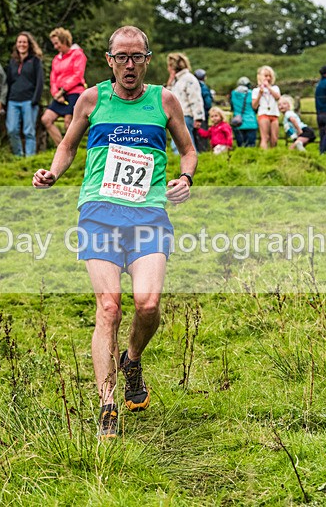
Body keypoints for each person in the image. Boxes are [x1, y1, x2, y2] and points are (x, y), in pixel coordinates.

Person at [32, 26, 197, 440]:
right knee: (109, 308)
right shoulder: (92, 99)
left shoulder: (164, 100)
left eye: (136, 56)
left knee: (148, 304)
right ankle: (108, 407)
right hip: (99, 213)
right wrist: (53, 171)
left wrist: (186, 178)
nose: (128, 64)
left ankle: (133, 358)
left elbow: (189, 150)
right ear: (109, 60)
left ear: (147, 59)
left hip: (148, 217)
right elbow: (68, 145)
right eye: (121, 56)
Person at [42, 28, 87, 147]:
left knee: (69, 122)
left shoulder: (78, 54)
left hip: (74, 92)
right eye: (54, 44)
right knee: (46, 119)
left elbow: (78, 75)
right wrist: (55, 93)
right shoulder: (56, 59)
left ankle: (72, 150)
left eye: (57, 43)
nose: (55, 47)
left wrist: (63, 91)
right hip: (59, 95)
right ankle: (61, 148)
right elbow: (53, 78)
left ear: (64, 40)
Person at [5, 31, 43, 157]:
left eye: (24, 42)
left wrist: (35, 100)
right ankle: (18, 156)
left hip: (29, 101)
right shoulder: (12, 62)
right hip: (13, 101)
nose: (22, 44)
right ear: (16, 44)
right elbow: (8, 82)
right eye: (19, 42)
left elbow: (40, 81)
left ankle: (30, 158)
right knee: (12, 129)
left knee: (29, 131)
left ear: (29, 44)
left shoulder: (35, 61)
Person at [166, 53, 204, 153]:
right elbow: (168, 95)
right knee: (183, 143)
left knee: (181, 144)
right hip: (178, 116)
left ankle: (186, 165)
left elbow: (195, 99)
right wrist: (170, 81)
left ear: (173, 66)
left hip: (186, 115)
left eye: (169, 65)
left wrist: (198, 117)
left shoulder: (188, 79)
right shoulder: (177, 80)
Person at [252, 66, 280, 149]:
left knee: (274, 138)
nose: (268, 78)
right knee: (265, 137)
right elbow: (254, 105)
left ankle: (273, 154)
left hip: (274, 114)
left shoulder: (275, 88)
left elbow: (277, 97)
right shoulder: (256, 90)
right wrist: (260, 95)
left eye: (269, 76)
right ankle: (264, 155)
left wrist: (268, 87)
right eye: (265, 76)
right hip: (263, 114)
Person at [230, 77, 257, 148]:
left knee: (241, 145)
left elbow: (232, 107)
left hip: (238, 122)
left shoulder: (233, 94)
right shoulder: (251, 93)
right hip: (251, 121)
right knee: (251, 146)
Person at [194, 68, 213, 152]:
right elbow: (208, 102)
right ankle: (202, 151)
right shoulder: (204, 87)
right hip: (202, 114)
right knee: (202, 133)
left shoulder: (192, 85)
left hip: (192, 114)